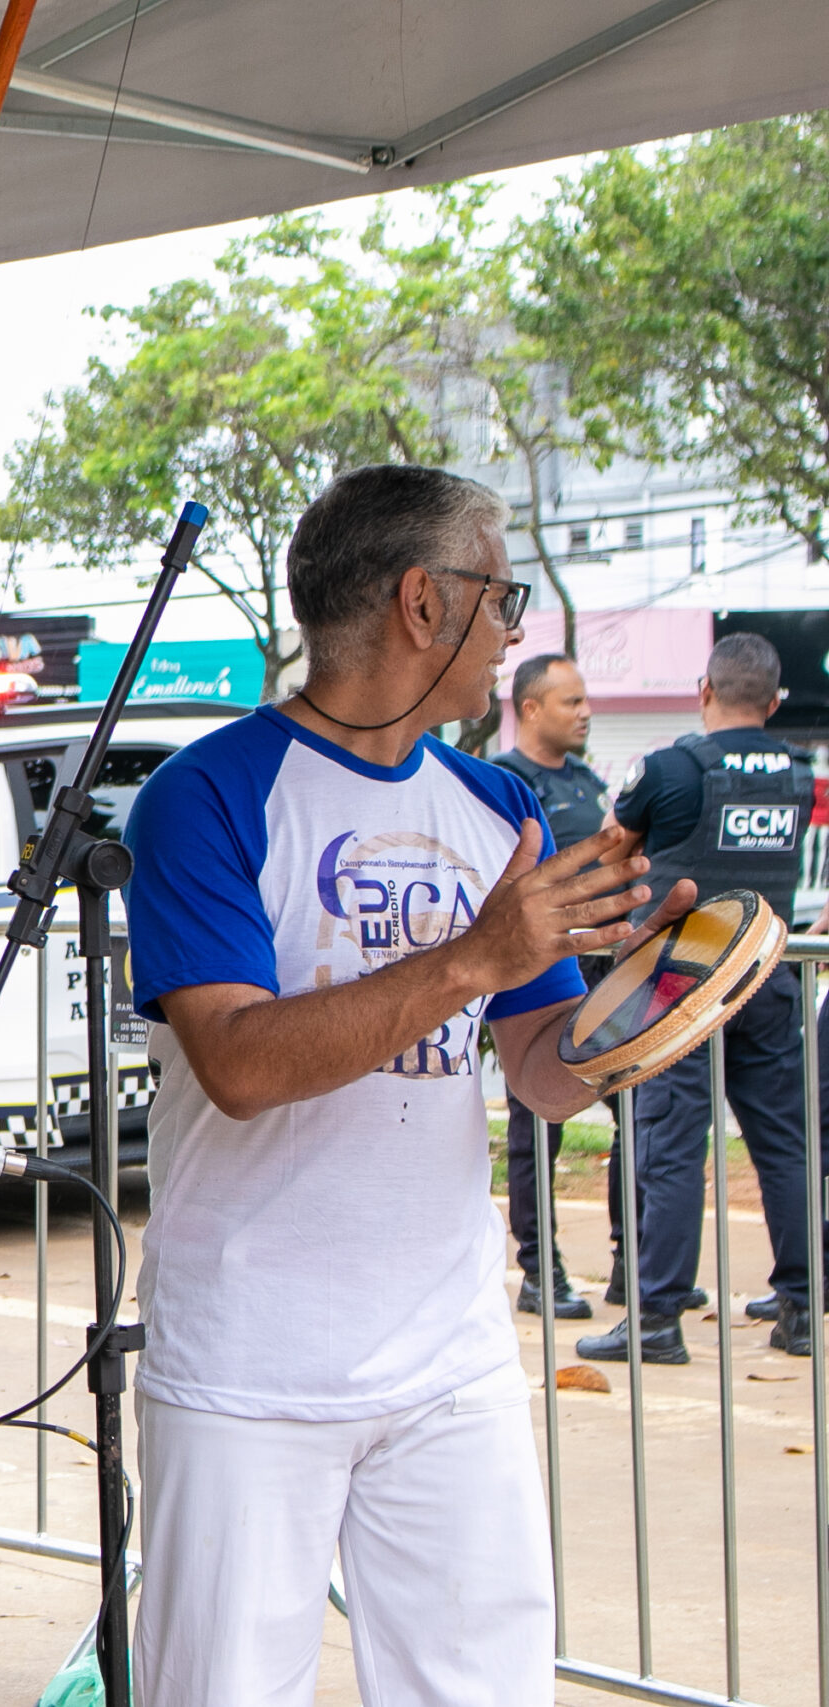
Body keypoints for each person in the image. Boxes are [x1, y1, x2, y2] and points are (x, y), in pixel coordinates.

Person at [121, 463, 689, 1706]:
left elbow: (541, 1075)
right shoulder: (203, 797)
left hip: (449, 1356)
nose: (512, 634)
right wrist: (474, 956)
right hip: (247, 1364)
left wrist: (648, 1000)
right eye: (501, 598)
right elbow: (241, 1064)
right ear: (423, 602)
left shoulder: (496, 804)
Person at [581, 633, 816, 1363]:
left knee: (672, 1145)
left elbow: (614, 847)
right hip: (766, 975)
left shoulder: (672, 767)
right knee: (784, 1143)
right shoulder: (798, 773)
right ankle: (803, 1310)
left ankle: (656, 1319)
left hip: (679, 982)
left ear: (704, 690)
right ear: (773, 702)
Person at [490, 652, 614, 1319]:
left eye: (586, 699)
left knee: (636, 1115)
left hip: (601, 963)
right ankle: (542, 1269)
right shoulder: (505, 785)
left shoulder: (590, 783)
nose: (586, 712)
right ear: (530, 708)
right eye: (572, 701)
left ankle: (635, 1267)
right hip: (535, 967)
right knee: (536, 1123)